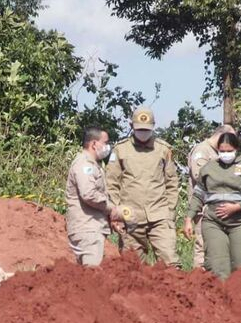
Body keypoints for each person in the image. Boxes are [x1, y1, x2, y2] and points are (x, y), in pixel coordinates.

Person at [183, 131, 241, 278]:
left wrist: (236, 207)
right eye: (222, 151)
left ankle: (240, 296)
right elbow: (198, 195)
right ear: (217, 150)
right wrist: (189, 218)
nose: (226, 154)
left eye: (229, 151)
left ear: (236, 149)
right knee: (217, 266)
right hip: (214, 222)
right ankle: (219, 297)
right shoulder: (209, 168)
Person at [105, 106, 179, 265]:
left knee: (170, 262)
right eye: (139, 129)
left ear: (153, 127)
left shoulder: (163, 149)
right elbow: (112, 183)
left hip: (160, 214)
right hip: (130, 215)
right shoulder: (120, 149)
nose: (143, 133)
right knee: (132, 265)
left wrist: (170, 211)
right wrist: (117, 212)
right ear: (132, 126)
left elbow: (172, 182)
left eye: (147, 129)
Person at [65, 126, 123, 266]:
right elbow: (89, 194)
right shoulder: (84, 164)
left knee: (87, 275)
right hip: (88, 228)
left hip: (90, 227)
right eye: (105, 142)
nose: (108, 147)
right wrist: (112, 208)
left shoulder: (93, 164)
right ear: (94, 144)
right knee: (92, 274)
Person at [187, 124, 236, 268]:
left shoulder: (220, 152)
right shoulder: (202, 150)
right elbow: (200, 175)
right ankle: (200, 276)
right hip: (204, 208)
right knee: (203, 245)